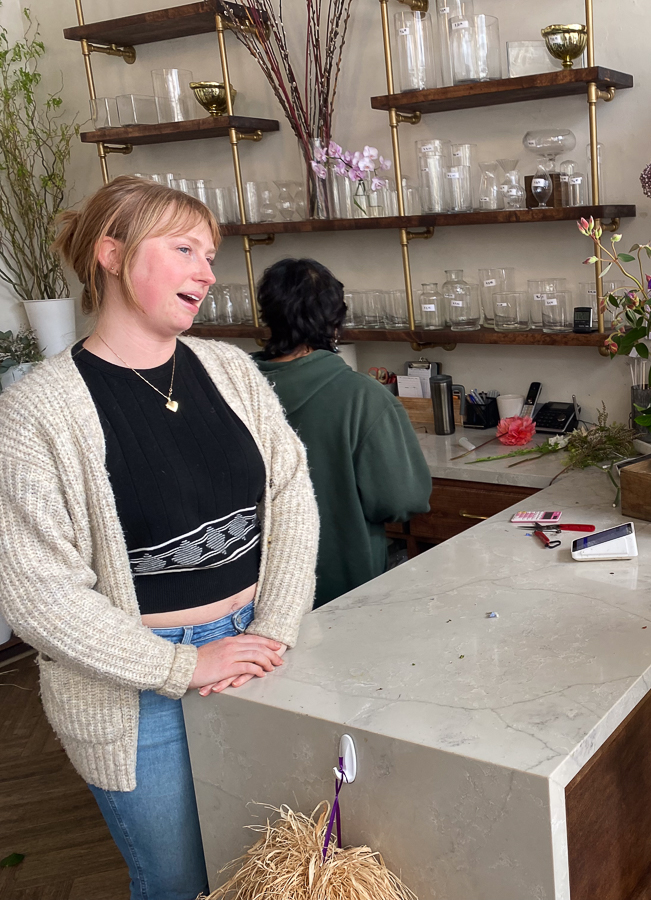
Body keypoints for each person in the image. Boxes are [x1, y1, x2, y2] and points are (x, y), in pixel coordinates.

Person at [0, 176, 319, 900]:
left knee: (264, 868)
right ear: (111, 254)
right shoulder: (36, 411)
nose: (207, 271)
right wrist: (183, 668)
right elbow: (39, 596)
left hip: (260, 650)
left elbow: (291, 493)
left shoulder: (231, 369)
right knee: (178, 882)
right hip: (137, 692)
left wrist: (273, 627)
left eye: (210, 254)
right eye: (184, 249)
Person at [253, 258, 431, 607]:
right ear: (336, 322)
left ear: (268, 316)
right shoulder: (361, 396)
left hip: (248, 589)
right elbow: (402, 498)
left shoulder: (231, 385)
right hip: (341, 586)